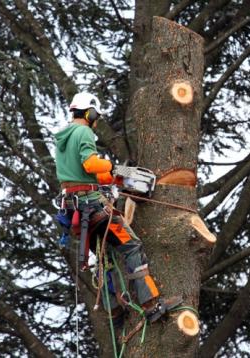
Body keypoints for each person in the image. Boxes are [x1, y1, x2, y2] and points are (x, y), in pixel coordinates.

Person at [54, 92, 180, 324]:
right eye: (96, 116)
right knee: (131, 247)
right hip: (93, 207)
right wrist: (113, 166)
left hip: (75, 210)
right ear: (89, 112)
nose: (96, 120)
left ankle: (113, 308)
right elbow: (91, 163)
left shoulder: (63, 138)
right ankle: (151, 305)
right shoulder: (83, 131)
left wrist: (115, 177)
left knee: (106, 256)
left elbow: (83, 174)